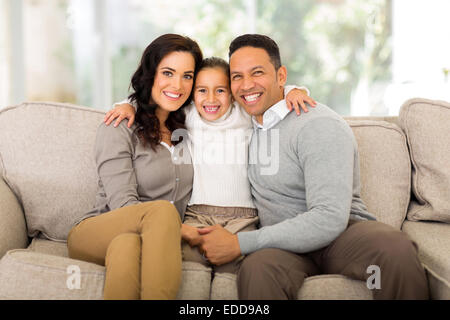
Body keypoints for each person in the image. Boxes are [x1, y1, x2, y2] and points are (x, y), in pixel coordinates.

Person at [188, 34, 429, 300]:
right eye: (237, 77)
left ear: (281, 76)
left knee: (393, 248)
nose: (246, 85)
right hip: (283, 248)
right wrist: (131, 106)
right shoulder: (242, 121)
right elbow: (175, 101)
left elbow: (328, 217)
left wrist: (240, 243)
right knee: (257, 269)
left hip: (342, 237)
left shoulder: (317, 124)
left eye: (257, 73)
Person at [105, 56, 316, 276]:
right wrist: (127, 105)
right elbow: (155, 103)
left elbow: (270, 94)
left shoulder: (245, 114)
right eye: (202, 90)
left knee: (240, 269)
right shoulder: (188, 116)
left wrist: (294, 91)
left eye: (221, 90)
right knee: (180, 263)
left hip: (243, 219)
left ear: (233, 94)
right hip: (197, 216)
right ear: (192, 94)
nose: (211, 99)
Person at [66, 33, 203, 300]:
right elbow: (123, 205)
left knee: (128, 246)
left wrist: (292, 91)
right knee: (162, 213)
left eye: (187, 76)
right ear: (150, 74)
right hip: (96, 230)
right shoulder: (121, 126)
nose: (178, 84)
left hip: (138, 238)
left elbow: (235, 97)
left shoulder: (191, 126)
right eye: (168, 72)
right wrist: (180, 229)